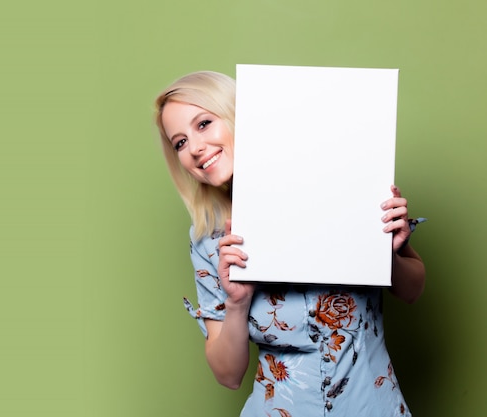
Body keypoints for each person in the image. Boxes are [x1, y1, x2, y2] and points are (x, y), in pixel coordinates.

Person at [154, 71, 426, 417]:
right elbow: (227, 375)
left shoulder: (343, 180)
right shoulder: (210, 243)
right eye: (179, 142)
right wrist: (237, 302)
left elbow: (412, 289)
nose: (194, 148)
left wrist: (390, 253)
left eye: (204, 124)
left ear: (242, 116)